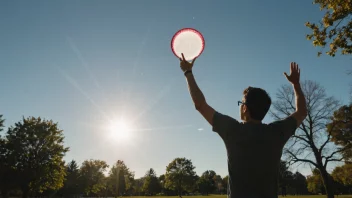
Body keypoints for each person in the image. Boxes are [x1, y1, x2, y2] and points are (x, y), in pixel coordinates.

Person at [179, 53, 307, 198]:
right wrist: (296, 85)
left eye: (241, 103)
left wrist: (187, 72)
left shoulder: (233, 130)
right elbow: (302, 112)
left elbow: (200, 105)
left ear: (245, 108)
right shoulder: (277, 132)